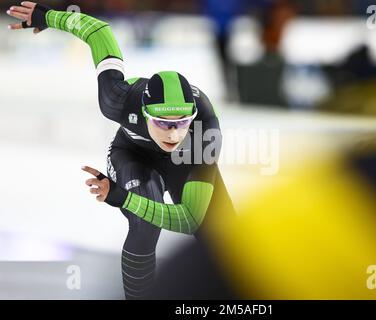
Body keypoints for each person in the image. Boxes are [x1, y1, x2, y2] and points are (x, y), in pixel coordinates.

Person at [7, 1, 235, 300]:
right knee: (145, 228)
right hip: (134, 154)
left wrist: (122, 197)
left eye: (182, 122)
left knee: (225, 235)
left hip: (186, 159)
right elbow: (98, 32)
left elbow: (189, 219)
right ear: (143, 112)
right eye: (163, 123)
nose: (174, 133)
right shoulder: (118, 99)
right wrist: (50, 17)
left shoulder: (205, 129)